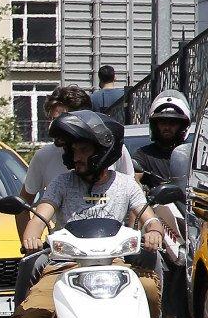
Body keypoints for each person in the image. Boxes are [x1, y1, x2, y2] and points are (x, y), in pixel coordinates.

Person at [0, 110, 166, 318]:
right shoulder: (61, 183)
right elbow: (41, 214)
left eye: (83, 149)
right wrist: (32, 233)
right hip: (64, 268)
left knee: (149, 288)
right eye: (73, 150)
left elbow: (148, 217)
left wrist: (154, 231)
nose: (76, 156)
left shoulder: (126, 185)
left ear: (103, 150)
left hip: (116, 267)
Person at [11, 86, 136, 304]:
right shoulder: (44, 157)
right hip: (64, 253)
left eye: (63, 118)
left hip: (110, 252)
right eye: (53, 120)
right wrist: (30, 242)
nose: (57, 126)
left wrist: (133, 238)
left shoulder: (114, 150)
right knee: (30, 270)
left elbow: (133, 197)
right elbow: (24, 204)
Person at [133, 90, 193, 185]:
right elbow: (134, 177)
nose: (167, 127)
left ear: (182, 126)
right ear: (155, 126)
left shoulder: (192, 155)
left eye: (173, 123)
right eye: (163, 123)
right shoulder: (143, 155)